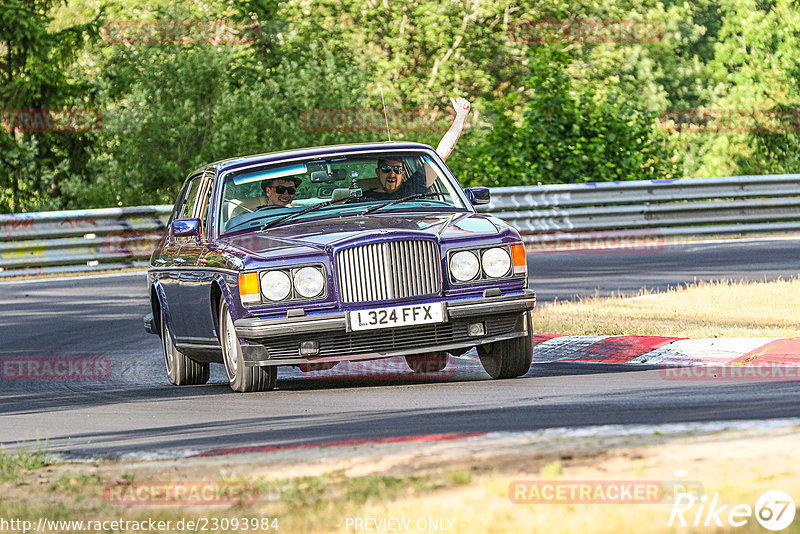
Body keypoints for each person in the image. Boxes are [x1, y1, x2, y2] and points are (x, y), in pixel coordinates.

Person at [364, 96, 471, 201]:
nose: (392, 174)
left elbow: (441, 154)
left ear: (403, 173)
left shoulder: (413, 189)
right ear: (378, 172)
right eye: (386, 169)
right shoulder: (362, 200)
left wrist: (461, 116)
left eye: (397, 169)